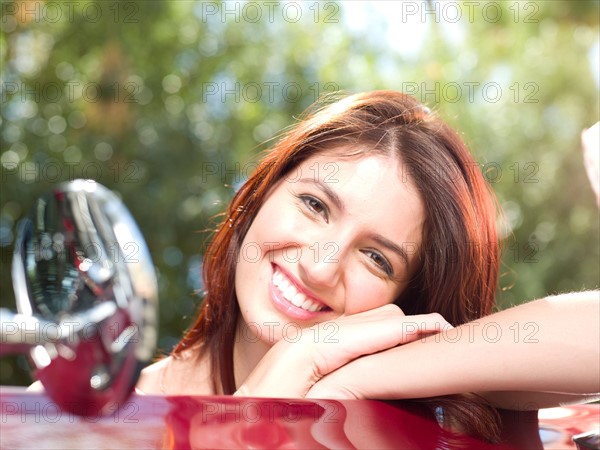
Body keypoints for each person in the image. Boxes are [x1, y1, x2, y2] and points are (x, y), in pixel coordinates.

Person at [137, 91, 599, 440]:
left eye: (377, 258)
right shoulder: (102, 413)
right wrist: (263, 401)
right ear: (261, 195)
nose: (321, 267)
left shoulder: (389, 421)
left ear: (405, 300)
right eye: (314, 205)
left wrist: (340, 371)